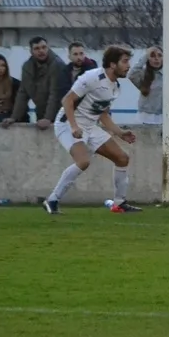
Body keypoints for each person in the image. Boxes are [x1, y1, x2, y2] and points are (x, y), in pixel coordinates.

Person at [43, 46, 140, 215]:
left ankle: (119, 203)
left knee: (122, 158)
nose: (128, 66)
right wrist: (74, 126)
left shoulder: (115, 87)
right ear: (112, 64)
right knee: (83, 161)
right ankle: (52, 200)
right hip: (67, 123)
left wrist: (120, 133)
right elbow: (67, 101)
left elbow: (102, 114)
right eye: (125, 62)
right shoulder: (92, 77)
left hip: (89, 126)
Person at [5, 36, 65, 130]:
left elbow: (55, 94)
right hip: (41, 112)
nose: (41, 51)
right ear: (31, 51)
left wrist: (48, 118)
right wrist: (14, 117)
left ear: (48, 48)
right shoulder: (27, 67)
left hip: (60, 114)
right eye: (37, 48)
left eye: (44, 47)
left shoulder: (57, 64)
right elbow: (23, 93)